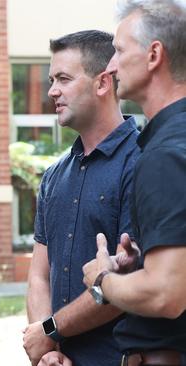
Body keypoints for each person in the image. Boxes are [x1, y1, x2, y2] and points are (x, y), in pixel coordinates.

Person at [23, 30, 141, 366]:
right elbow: (39, 274)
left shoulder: (143, 163)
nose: (51, 91)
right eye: (51, 79)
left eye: (63, 78)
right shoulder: (54, 175)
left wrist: (49, 330)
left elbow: (128, 284)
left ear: (103, 83)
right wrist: (48, 350)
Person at [82, 1, 186, 365]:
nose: (110, 65)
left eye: (119, 51)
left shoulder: (166, 154)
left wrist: (102, 280)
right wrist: (145, 264)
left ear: (154, 54)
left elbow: (166, 295)